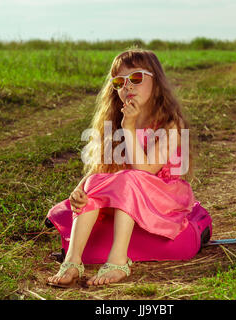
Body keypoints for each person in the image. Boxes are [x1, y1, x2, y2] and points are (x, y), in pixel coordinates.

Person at [46, 48, 205, 288]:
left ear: (157, 81)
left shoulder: (171, 124)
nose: (128, 86)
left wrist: (129, 127)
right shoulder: (114, 122)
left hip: (163, 198)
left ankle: (118, 260)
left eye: (137, 78)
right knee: (94, 182)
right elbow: (102, 171)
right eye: (119, 81)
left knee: (131, 178)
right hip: (126, 197)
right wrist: (80, 189)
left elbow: (146, 170)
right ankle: (72, 261)